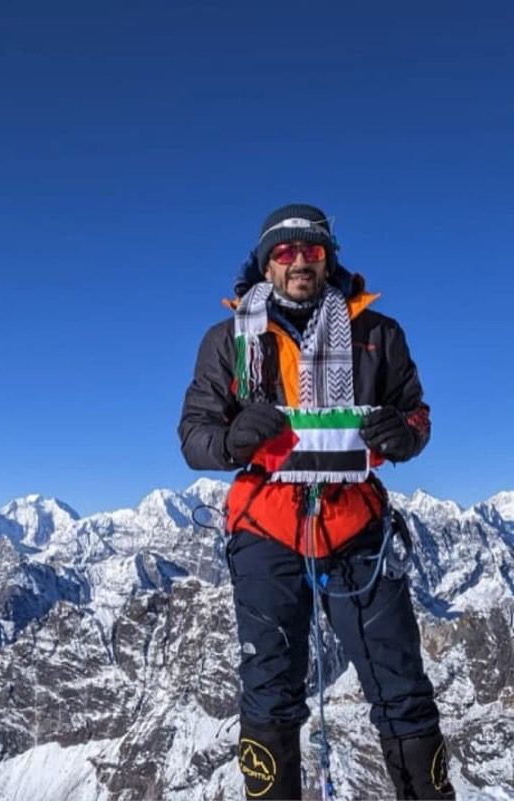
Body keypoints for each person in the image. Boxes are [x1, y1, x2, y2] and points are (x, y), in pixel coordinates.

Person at [178, 204, 454, 800]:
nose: (299, 260)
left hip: (356, 524)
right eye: (284, 251)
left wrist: (405, 435)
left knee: (400, 685)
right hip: (266, 528)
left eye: (312, 249)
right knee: (271, 692)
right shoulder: (229, 341)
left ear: (329, 257)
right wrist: (230, 441)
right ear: (264, 263)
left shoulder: (378, 334)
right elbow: (194, 436)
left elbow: (416, 414)